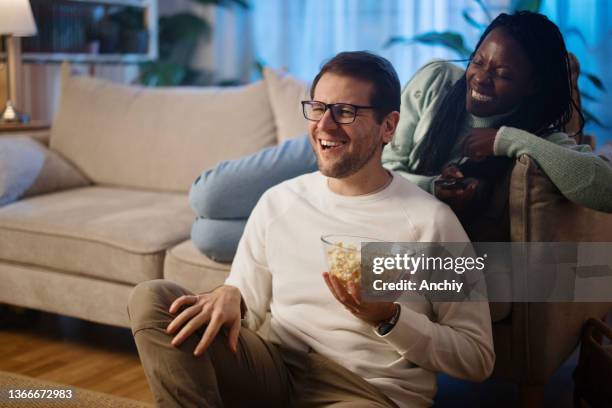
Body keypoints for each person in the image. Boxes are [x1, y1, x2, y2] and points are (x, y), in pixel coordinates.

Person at [128, 51, 495, 407]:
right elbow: (247, 308)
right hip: (276, 369)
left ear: (388, 126)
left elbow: (477, 357)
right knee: (153, 298)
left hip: (365, 391)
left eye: (345, 111)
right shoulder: (279, 201)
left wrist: (391, 318)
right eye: (318, 108)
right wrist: (229, 295)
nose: (324, 124)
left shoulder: (430, 222)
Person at [189, 11, 612, 262]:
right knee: (208, 198)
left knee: (210, 236)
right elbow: (388, 163)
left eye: (502, 74)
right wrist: (433, 187)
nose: (480, 79)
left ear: (533, 86)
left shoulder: (537, 140)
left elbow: (605, 190)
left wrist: (506, 139)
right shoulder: (438, 80)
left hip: (368, 200)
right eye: (479, 61)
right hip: (344, 140)